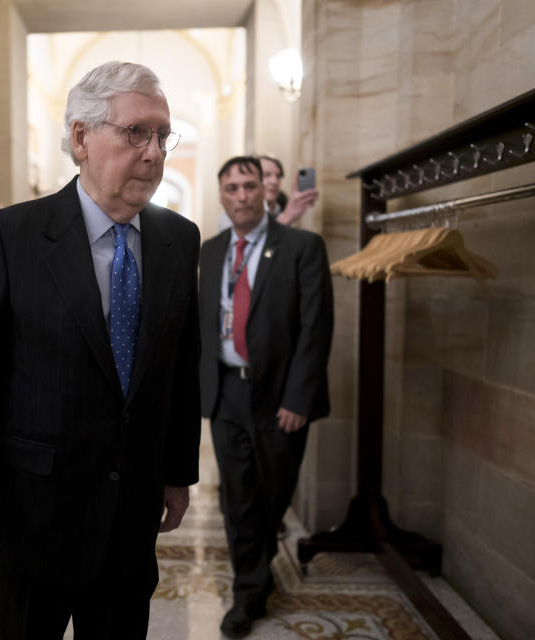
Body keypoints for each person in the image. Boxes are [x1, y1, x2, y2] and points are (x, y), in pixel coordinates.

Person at [0, 61, 201, 639]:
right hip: (31, 524)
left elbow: (179, 369)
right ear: (81, 137)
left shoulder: (180, 240)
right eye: (135, 133)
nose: (154, 153)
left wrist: (178, 472)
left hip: (130, 525)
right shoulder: (10, 237)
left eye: (162, 135)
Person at [199, 156, 333, 637]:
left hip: (280, 398)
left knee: (272, 496)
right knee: (238, 500)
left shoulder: (301, 247)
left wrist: (299, 398)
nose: (240, 195)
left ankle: (255, 571)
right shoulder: (210, 251)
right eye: (231, 188)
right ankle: (249, 592)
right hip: (226, 395)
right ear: (221, 195)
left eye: (249, 186)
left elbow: (315, 331)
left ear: (265, 192)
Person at [260, 153, 319, 226]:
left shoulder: (283, 205)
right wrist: (286, 217)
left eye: (278, 176)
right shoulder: (247, 212)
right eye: (266, 175)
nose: (275, 181)